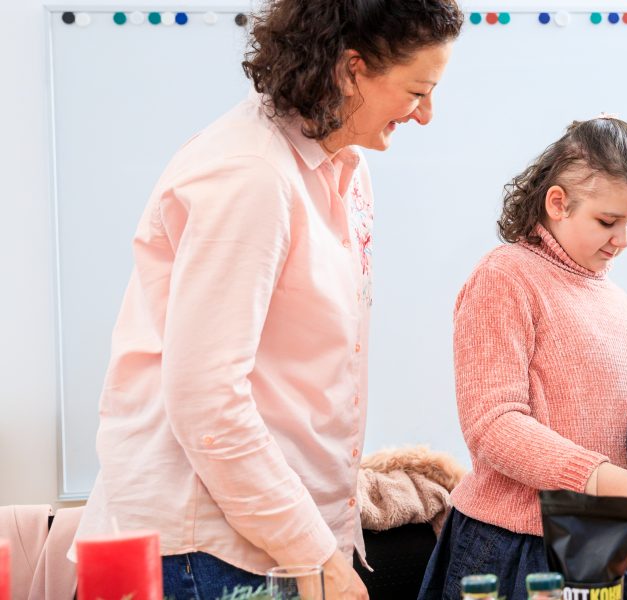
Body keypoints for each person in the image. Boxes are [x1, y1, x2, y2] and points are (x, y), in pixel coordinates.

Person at [72, 1, 462, 597]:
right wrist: (316, 557)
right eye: (417, 91)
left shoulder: (345, 164)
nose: (427, 115)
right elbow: (207, 401)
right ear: (351, 69)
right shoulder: (250, 175)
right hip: (208, 546)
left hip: (280, 532)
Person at [418, 117, 627, 600]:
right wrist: (610, 482)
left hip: (611, 547)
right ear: (558, 203)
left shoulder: (624, 309)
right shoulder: (506, 277)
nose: (623, 240)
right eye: (607, 221)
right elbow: (494, 424)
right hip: (516, 551)